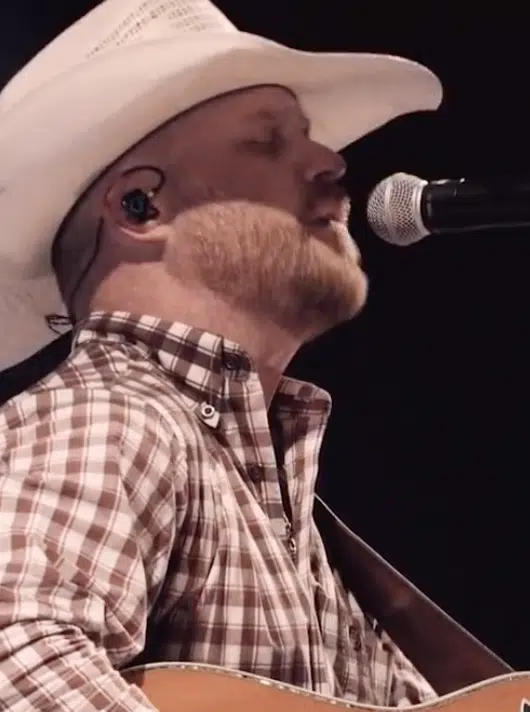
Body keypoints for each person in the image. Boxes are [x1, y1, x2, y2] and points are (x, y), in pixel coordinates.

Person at [0, 0, 451, 709]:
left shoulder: (285, 521)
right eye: (268, 141)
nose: (332, 161)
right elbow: (13, 649)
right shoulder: (111, 418)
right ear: (140, 206)